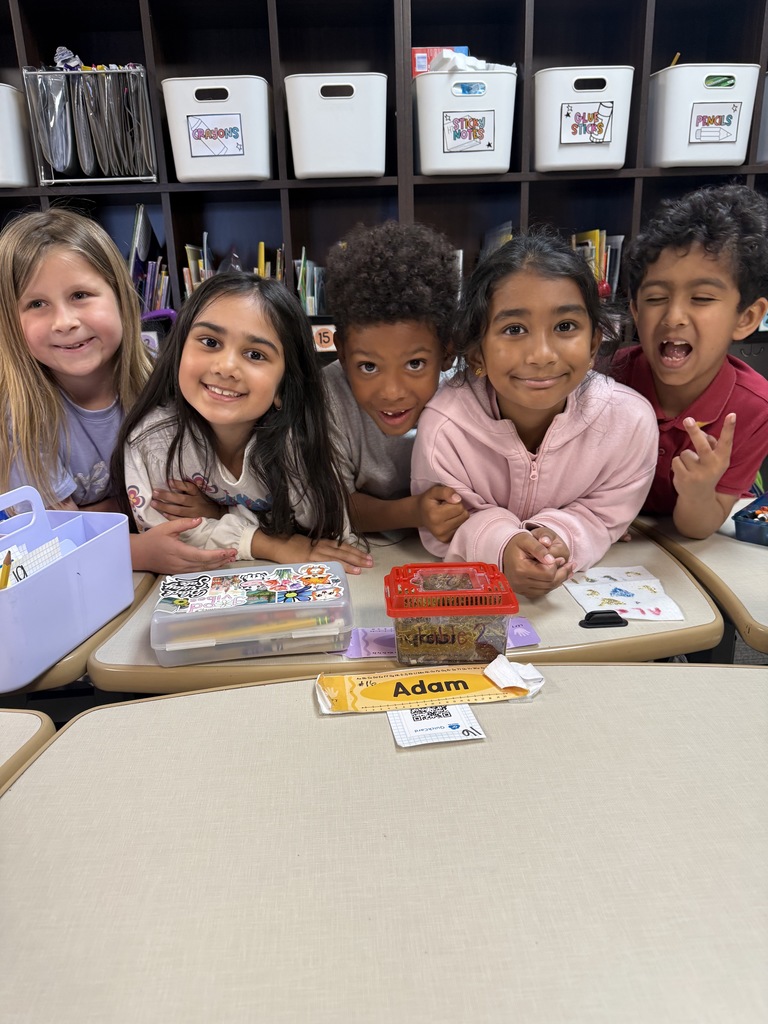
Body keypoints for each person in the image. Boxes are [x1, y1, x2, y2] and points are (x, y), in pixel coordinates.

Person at [411, 229, 658, 599]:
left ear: (594, 344)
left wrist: (557, 536)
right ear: (477, 353)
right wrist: (502, 547)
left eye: (565, 327)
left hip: (574, 595)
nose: (542, 354)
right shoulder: (445, 426)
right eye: (514, 329)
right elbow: (443, 527)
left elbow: (604, 515)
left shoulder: (630, 423)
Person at [0, 207, 234, 574]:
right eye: (36, 304)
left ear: (120, 295)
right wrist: (136, 550)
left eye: (80, 294)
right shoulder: (21, 416)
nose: (65, 322)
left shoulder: (165, 378)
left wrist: (209, 509)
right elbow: (52, 543)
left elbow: (205, 490)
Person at [113, 272, 372, 573]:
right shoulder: (154, 442)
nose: (226, 367)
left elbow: (325, 532)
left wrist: (220, 512)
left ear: (283, 388)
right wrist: (270, 542)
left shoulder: (298, 440)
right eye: (210, 342)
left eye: (255, 354)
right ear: (179, 352)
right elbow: (174, 543)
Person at [618, 183, 768, 539]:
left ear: (746, 317)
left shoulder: (754, 409)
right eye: (656, 298)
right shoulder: (606, 378)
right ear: (635, 311)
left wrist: (699, 490)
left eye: (701, 297)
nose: (674, 316)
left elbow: (696, 528)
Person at [324, 220, 468, 540]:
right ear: (343, 353)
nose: (392, 392)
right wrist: (415, 512)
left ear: (447, 353)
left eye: (415, 364)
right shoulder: (328, 398)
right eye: (369, 367)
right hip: (368, 552)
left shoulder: (464, 391)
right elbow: (332, 505)